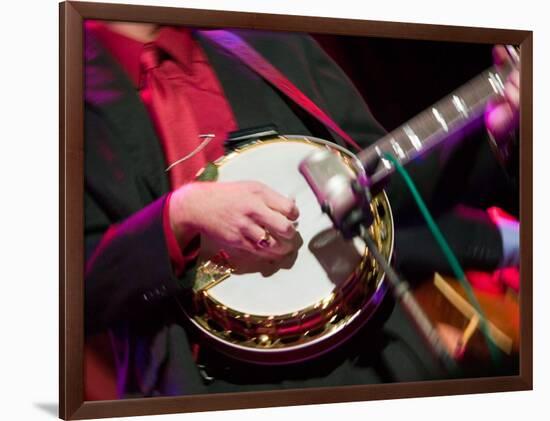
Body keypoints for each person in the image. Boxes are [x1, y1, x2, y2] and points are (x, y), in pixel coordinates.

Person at [84, 20, 520, 399]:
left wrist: (492, 131)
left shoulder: (267, 42)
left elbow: (388, 188)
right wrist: (177, 217)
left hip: (380, 354)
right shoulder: (63, 99)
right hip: (217, 387)